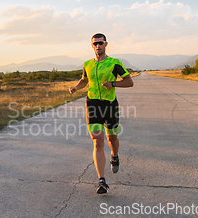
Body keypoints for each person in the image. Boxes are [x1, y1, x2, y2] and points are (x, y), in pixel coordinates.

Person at [69, 33, 134, 194]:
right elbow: (85, 79)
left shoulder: (114, 63)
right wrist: (76, 87)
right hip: (92, 104)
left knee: (112, 138)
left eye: (101, 43)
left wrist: (113, 83)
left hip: (110, 105)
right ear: (92, 46)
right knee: (97, 141)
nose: (98, 46)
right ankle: (102, 181)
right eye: (95, 44)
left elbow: (129, 82)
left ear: (106, 44)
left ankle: (115, 155)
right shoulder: (87, 64)